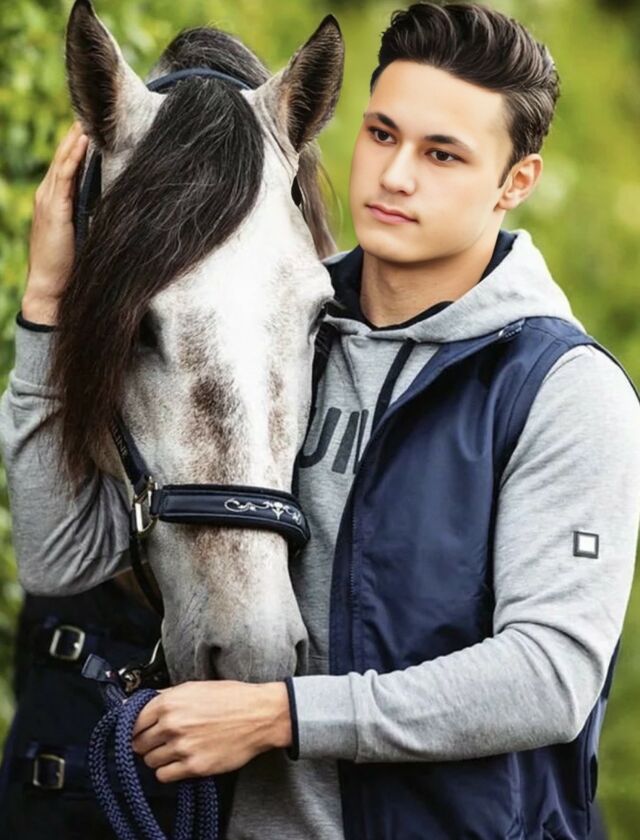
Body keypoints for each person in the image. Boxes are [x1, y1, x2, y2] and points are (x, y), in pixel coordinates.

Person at [1, 3, 639, 839]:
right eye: (382, 134)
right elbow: (61, 557)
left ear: (516, 183)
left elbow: (550, 677)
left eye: (442, 153)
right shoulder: (265, 333)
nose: (395, 175)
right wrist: (47, 306)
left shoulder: (562, 391)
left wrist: (282, 716)